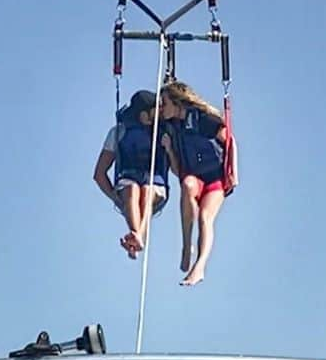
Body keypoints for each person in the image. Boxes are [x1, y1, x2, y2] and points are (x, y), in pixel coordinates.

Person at [160, 80, 238, 286]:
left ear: (177, 103)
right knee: (187, 185)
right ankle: (187, 245)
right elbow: (178, 172)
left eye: (164, 103)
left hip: (215, 179)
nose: (161, 108)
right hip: (195, 177)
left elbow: (230, 142)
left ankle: (199, 266)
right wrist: (168, 149)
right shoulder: (172, 128)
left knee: (205, 217)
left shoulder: (204, 120)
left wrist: (233, 174)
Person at [93, 89, 168, 258]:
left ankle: (137, 236)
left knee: (147, 190)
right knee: (132, 189)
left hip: (155, 184)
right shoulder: (119, 132)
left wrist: (169, 148)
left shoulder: (164, 132)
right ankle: (137, 237)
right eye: (156, 110)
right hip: (127, 185)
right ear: (143, 114)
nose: (160, 114)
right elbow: (99, 174)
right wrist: (114, 196)